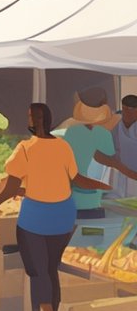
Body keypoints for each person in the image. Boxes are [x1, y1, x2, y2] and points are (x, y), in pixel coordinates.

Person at [0, 103, 110, 311]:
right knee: (50, 268)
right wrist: (105, 186)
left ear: (33, 121)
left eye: (32, 116)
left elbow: (11, 187)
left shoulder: (25, 148)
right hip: (63, 217)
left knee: (40, 271)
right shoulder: (63, 146)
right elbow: (77, 179)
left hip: (36, 219)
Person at [57, 87, 134, 218]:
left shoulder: (71, 132)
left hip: (73, 196)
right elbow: (111, 162)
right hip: (96, 198)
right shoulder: (103, 135)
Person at [113, 95, 137, 198]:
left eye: (131, 110)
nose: (127, 113)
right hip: (121, 171)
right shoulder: (116, 123)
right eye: (125, 109)